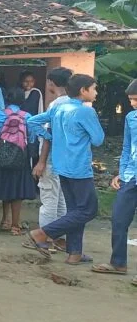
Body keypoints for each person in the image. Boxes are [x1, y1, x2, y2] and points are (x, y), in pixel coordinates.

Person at [26, 75, 105, 264]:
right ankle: (43, 233)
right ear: (83, 90)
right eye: (93, 88)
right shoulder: (86, 112)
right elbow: (98, 139)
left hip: (61, 166)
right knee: (89, 210)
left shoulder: (58, 107)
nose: (96, 92)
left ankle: (74, 253)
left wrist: (49, 136)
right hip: (79, 168)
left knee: (75, 211)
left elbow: (32, 121)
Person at [93, 79, 137, 283]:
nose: (134, 103)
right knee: (119, 219)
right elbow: (127, 147)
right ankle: (118, 262)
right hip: (130, 177)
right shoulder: (131, 118)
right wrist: (120, 172)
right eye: (131, 99)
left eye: (136, 99)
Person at [31, 67, 73, 248]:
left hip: (51, 159)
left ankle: (44, 238)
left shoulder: (55, 105)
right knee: (61, 200)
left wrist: (41, 162)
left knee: (48, 200)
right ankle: (59, 238)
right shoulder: (74, 104)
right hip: (66, 160)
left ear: (51, 83)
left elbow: (49, 135)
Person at [0, 88, 37, 235]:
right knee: (17, 190)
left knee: (5, 186)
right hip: (21, 156)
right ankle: (15, 225)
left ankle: (4, 220)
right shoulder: (27, 116)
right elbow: (32, 137)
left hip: (2, 156)